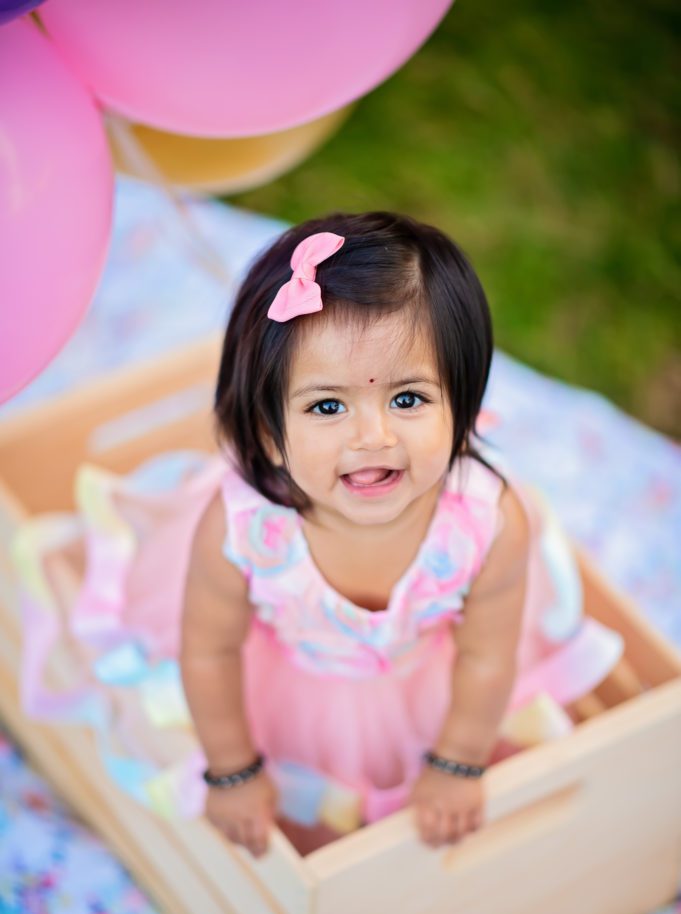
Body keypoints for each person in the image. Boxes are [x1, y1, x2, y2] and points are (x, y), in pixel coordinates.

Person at [178, 211, 623, 859]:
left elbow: (485, 655)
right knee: (310, 818)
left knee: (451, 800)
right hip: (294, 689)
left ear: (461, 404)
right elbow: (209, 653)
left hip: (432, 683)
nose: (373, 438)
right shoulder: (240, 532)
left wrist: (457, 763)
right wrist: (233, 770)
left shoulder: (485, 524)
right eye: (326, 406)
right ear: (270, 434)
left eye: (408, 398)